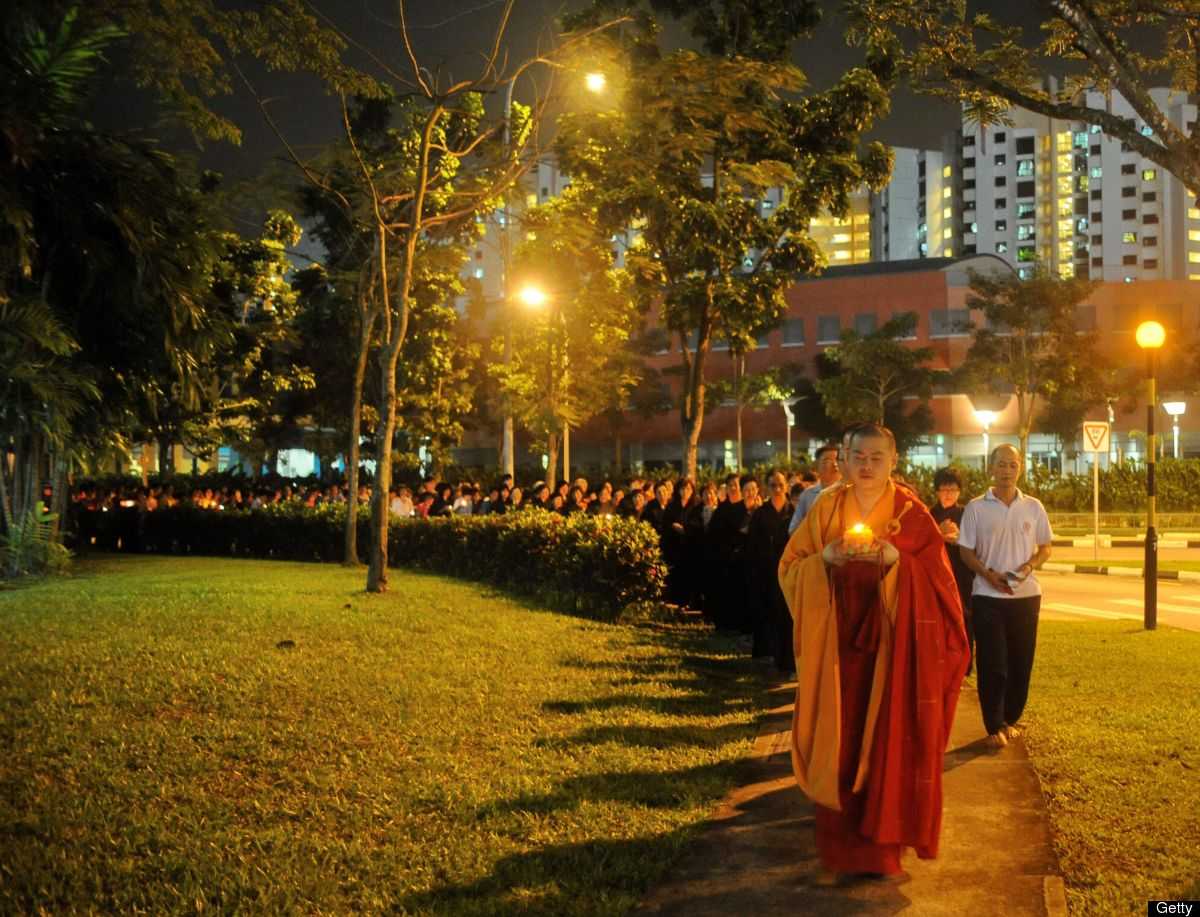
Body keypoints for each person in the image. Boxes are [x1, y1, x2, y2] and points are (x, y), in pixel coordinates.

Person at [778, 423, 969, 882]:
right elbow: (789, 567)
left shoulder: (913, 513)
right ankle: (839, 856)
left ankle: (882, 857)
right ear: (844, 458)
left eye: (876, 458)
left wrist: (896, 564)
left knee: (889, 745)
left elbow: (942, 586)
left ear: (894, 461)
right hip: (836, 649)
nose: (866, 466)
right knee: (838, 748)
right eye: (858, 456)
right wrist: (825, 561)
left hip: (892, 653)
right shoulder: (826, 508)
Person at [956, 444, 1053, 749]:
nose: (1006, 471)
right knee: (993, 662)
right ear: (991, 468)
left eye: (1012, 465)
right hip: (987, 596)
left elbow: (1045, 547)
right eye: (1001, 465)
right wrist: (987, 575)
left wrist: (1029, 566)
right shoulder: (976, 507)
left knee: (1021, 662)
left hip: (1025, 596)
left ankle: (1010, 718)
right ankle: (993, 723)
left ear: (1020, 468)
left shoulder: (1034, 507)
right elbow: (965, 551)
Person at [930, 466, 976, 674]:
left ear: (959, 491)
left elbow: (977, 545)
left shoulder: (967, 514)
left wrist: (958, 540)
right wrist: (937, 535)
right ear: (937, 491)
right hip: (937, 575)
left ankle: (964, 665)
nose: (948, 494)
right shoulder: (929, 514)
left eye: (953, 490)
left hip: (963, 575)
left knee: (965, 618)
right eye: (944, 489)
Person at [748, 471, 795, 672]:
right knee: (765, 610)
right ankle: (766, 652)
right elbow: (752, 543)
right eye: (772, 485)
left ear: (786, 487)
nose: (777, 489)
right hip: (765, 570)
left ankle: (784, 657)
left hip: (788, 570)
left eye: (780, 485)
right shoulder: (760, 513)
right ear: (767, 487)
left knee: (785, 614)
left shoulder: (793, 511)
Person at [788, 444, 842, 533]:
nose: (835, 464)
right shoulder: (808, 495)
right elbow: (793, 530)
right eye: (827, 461)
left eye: (837, 460)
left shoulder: (850, 492)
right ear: (817, 466)